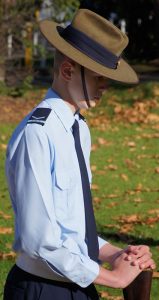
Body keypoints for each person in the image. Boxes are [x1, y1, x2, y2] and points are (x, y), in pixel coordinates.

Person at [3, 9, 155, 300]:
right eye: (99, 77)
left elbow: (72, 229)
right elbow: (40, 243)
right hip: (43, 289)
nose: (105, 87)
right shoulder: (38, 133)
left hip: (80, 284)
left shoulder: (78, 129)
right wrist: (113, 278)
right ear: (68, 70)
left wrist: (118, 254)